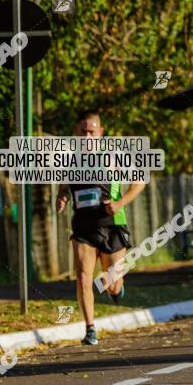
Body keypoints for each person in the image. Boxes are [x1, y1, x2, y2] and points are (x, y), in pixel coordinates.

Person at [56, 111, 145, 345]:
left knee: (111, 283)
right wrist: (62, 198)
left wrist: (119, 203)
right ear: (76, 132)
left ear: (101, 133)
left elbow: (140, 181)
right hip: (84, 226)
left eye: (92, 132)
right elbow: (64, 188)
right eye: (83, 132)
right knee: (84, 276)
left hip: (112, 225)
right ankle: (90, 329)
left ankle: (117, 290)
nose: (87, 137)